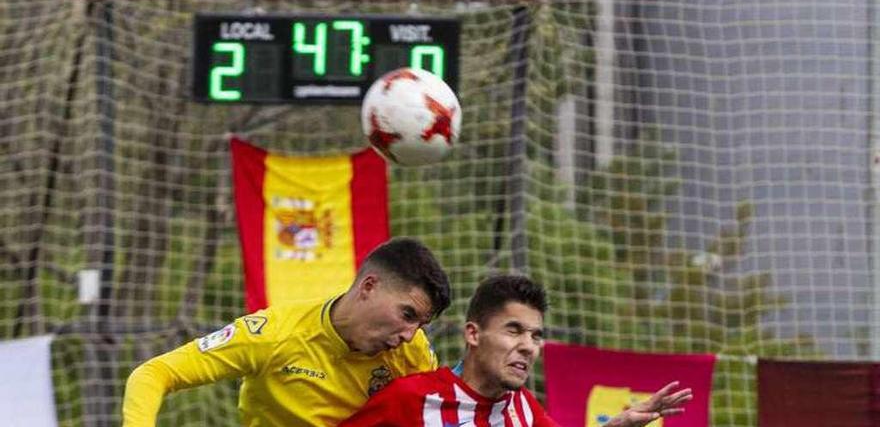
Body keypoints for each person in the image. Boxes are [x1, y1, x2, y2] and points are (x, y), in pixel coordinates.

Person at [122, 236, 451, 426]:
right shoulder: (275, 334)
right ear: (369, 286)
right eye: (407, 314)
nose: (410, 334)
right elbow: (154, 374)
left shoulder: (412, 350)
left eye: (420, 324)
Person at [340, 274, 693, 427]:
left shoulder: (522, 406)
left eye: (536, 336)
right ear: (474, 334)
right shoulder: (411, 399)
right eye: (514, 331)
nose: (528, 346)